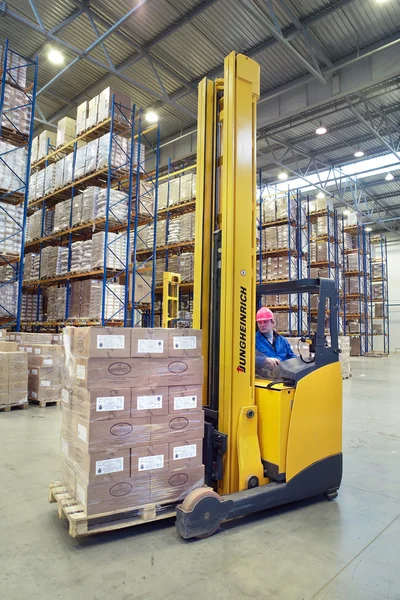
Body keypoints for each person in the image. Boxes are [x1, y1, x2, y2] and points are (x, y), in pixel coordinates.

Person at [255, 307, 297, 378]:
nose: (262, 325)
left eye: (265, 322)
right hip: (266, 378)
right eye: (260, 322)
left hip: (283, 376)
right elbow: (248, 359)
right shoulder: (253, 340)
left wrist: (301, 362)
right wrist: (265, 360)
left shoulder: (282, 340)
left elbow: (291, 356)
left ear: (273, 323)